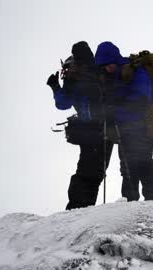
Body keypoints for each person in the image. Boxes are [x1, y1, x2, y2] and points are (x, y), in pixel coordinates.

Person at [46, 41, 113, 210]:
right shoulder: (99, 72)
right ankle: (82, 207)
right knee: (95, 172)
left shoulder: (74, 77)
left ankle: (77, 206)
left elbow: (62, 104)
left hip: (87, 131)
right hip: (104, 130)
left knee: (85, 169)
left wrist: (55, 87)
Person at [94, 41, 153, 202]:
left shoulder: (135, 70)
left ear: (115, 60)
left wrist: (116, 106)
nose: (107, 68)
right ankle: (129, 202)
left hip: (141, 126)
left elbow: (142, 98)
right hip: (123, 129)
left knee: (144, 163)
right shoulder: (108, 76)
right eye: (103, 66)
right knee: (127, 166)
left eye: (108, 64)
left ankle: (151, 201)